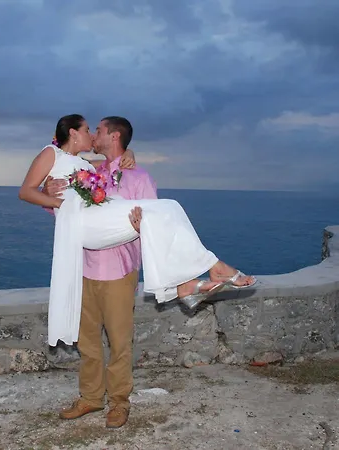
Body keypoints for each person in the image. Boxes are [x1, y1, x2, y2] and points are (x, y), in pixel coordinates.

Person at [19, 114, 256, 428]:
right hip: (82, 266)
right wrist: (50, 194)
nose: (94, 135)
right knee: (87, 343)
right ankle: (90, 397)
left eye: (98, 130)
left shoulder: (138, 176)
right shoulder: (92, 170)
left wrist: (139, 221)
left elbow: (157, 229)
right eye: (90, 130)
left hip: (118, 271)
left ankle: (119, 403)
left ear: (114, 136)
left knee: (120, 343)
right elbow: (63, 201)